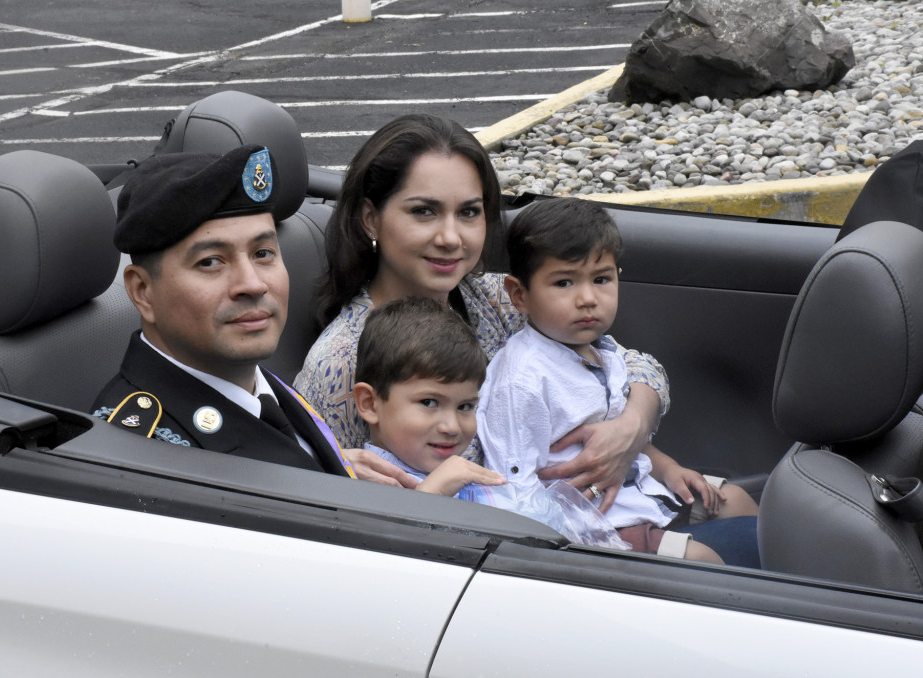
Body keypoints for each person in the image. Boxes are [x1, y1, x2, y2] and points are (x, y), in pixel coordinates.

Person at [294, 113, 669, 504]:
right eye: (424, 211)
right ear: (371, 218)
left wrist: (632, 427)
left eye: (469, 212)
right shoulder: (340, 362)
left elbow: (634, 366)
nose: (451, 237)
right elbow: (334, 511)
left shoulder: (500, 300)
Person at [477, 198, 760, 565]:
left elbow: (621, 432)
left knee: (737, 500)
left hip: (641, 493)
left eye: (601, 279)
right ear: (519, 295)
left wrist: (669, 469)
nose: (588, 299)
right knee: (705, 561)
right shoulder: (522, 380)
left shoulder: (602, 351)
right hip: (601, 527)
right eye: (564, 283)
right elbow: (516, 490)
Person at [91, 145, 362, 478]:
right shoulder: (146, 461)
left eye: (263, 253)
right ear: (143, 292)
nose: (252, 284)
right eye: (210, 262)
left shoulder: (257, 387)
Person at [352, 296, 628, 550]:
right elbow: (385, 554)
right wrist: (436, 490)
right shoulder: (363, 481)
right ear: (369, 403)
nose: (451, 426)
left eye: (465, 407)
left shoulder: (467, 476)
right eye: (429, 403)